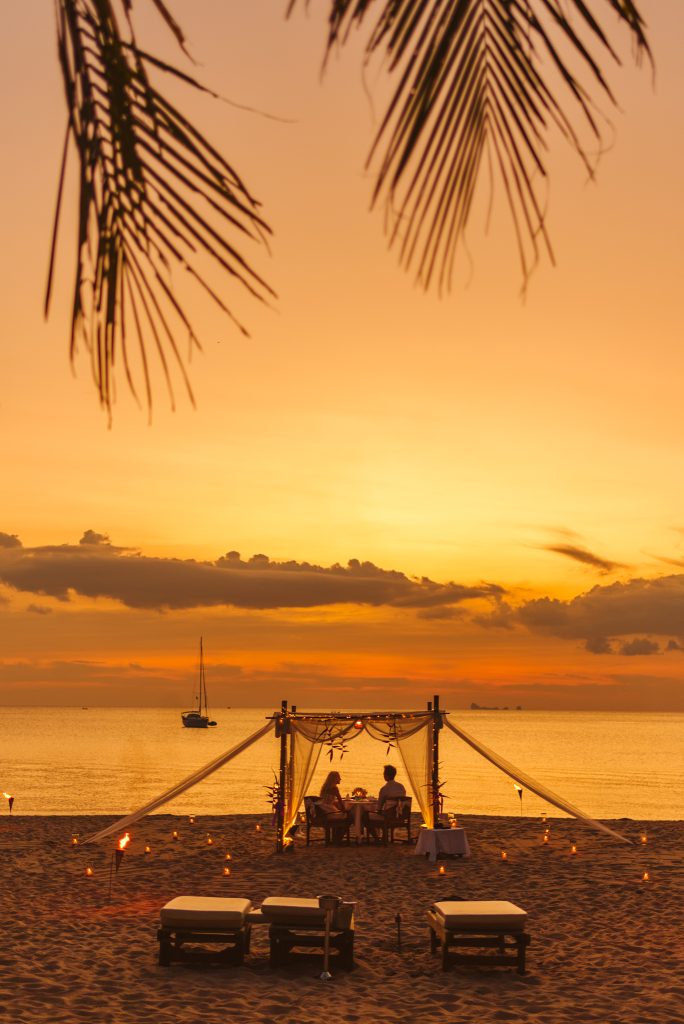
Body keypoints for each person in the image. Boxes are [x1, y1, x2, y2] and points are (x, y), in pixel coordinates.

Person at [366, 765, 407, 841]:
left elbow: (379, 808)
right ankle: (383, 836)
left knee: (365, 817)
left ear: (386, 776)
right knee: (386, 813)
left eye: (384, 774)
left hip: (388, 818)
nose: (383, 775)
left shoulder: (384, 789)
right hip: (400, 816)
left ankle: (376, 838)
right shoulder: (401, 787)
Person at [317, 771, 350, 843]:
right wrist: (344, 810)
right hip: (328, 812)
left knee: (340, 814)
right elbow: (340, 801)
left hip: (322, 810)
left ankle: (335, 837)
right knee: (348, 818)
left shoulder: (325, 787)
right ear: (335, 779)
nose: (340, 779)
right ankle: (338, 838)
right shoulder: (335, 788)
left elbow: (327, 799)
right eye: (339, 778)